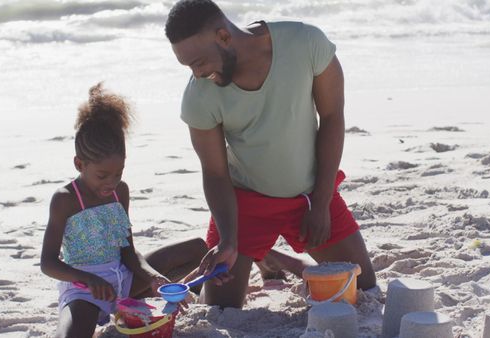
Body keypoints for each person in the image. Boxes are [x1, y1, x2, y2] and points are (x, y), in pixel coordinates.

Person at [165, 0, 377, 308]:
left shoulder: (306, 43)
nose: (196, 74)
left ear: (224, 36)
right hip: (244, 204)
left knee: (363, 285)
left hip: (309, 196)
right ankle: (261, 254)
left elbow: (332, 117)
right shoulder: (199, 96)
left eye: (198, 62)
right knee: (219, 307)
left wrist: (320, 204)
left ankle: (270, 257)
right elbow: (214, 173)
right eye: (188, 67)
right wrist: (227, 239)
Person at [40, 83, 208, 337]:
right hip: (86, 291)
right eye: (102, 175)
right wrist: (89, 279)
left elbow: (128, 251)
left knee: (198, 248)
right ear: (79, 164)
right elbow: (48, 263)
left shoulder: (121, 191)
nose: (111, 182)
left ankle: (172, 293)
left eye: (118, 173)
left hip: (125, 281)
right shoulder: (65, 199)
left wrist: (153, 277)